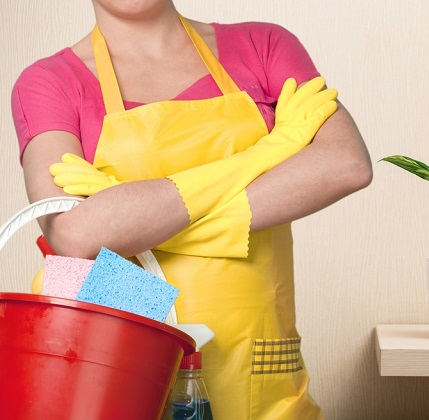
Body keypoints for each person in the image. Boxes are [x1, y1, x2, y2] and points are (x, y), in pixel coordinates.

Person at [11, 1, 372, 419]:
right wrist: (272, 150)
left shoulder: (263, 46)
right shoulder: (49, 82)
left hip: (264, 384)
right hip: (127, 380)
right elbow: (75, 236)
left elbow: (347, 165)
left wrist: (129, 213)